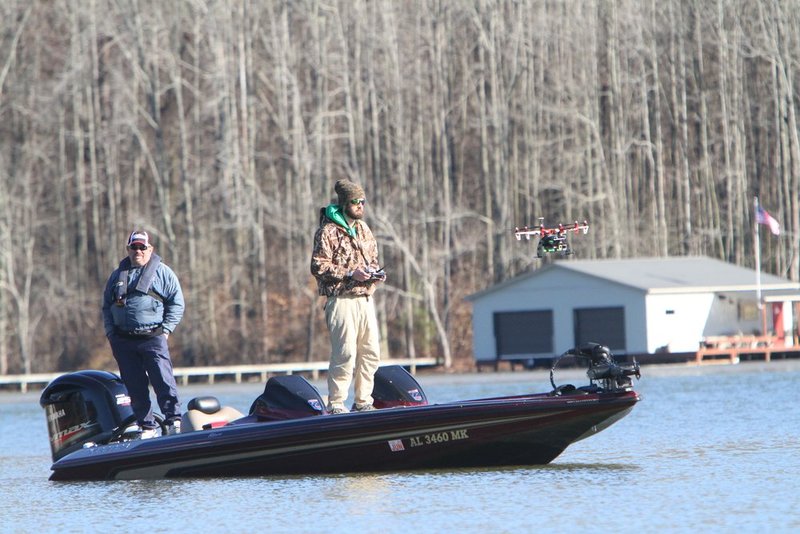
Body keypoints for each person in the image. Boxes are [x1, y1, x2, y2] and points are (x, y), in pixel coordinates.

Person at [311, 179, 385, 414]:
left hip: (365, 299)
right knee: (345, 353)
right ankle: (336, 405)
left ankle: (363, 402)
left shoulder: (364, 229)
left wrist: (374, 274)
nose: (360, 205)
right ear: (344, 203)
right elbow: (318, 266)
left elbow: (371, 259)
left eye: (363, 201)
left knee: (372, 352)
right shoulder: (327, 231)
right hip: (341, 300)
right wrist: (351, 273)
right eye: (355, 202)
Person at [102, 230, 185, 438]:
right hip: (123, 341)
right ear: (128, 249)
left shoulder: (163, 272)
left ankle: (173, 421)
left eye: (142, 247)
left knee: (163, 381)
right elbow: (106, 306)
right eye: (134, 247)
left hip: (153, 338)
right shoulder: (116, 276)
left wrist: (166, 330)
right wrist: (111, 334)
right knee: (134, 386)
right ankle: (147, 426)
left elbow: (177, 303)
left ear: (150, 249)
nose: (138, 251)